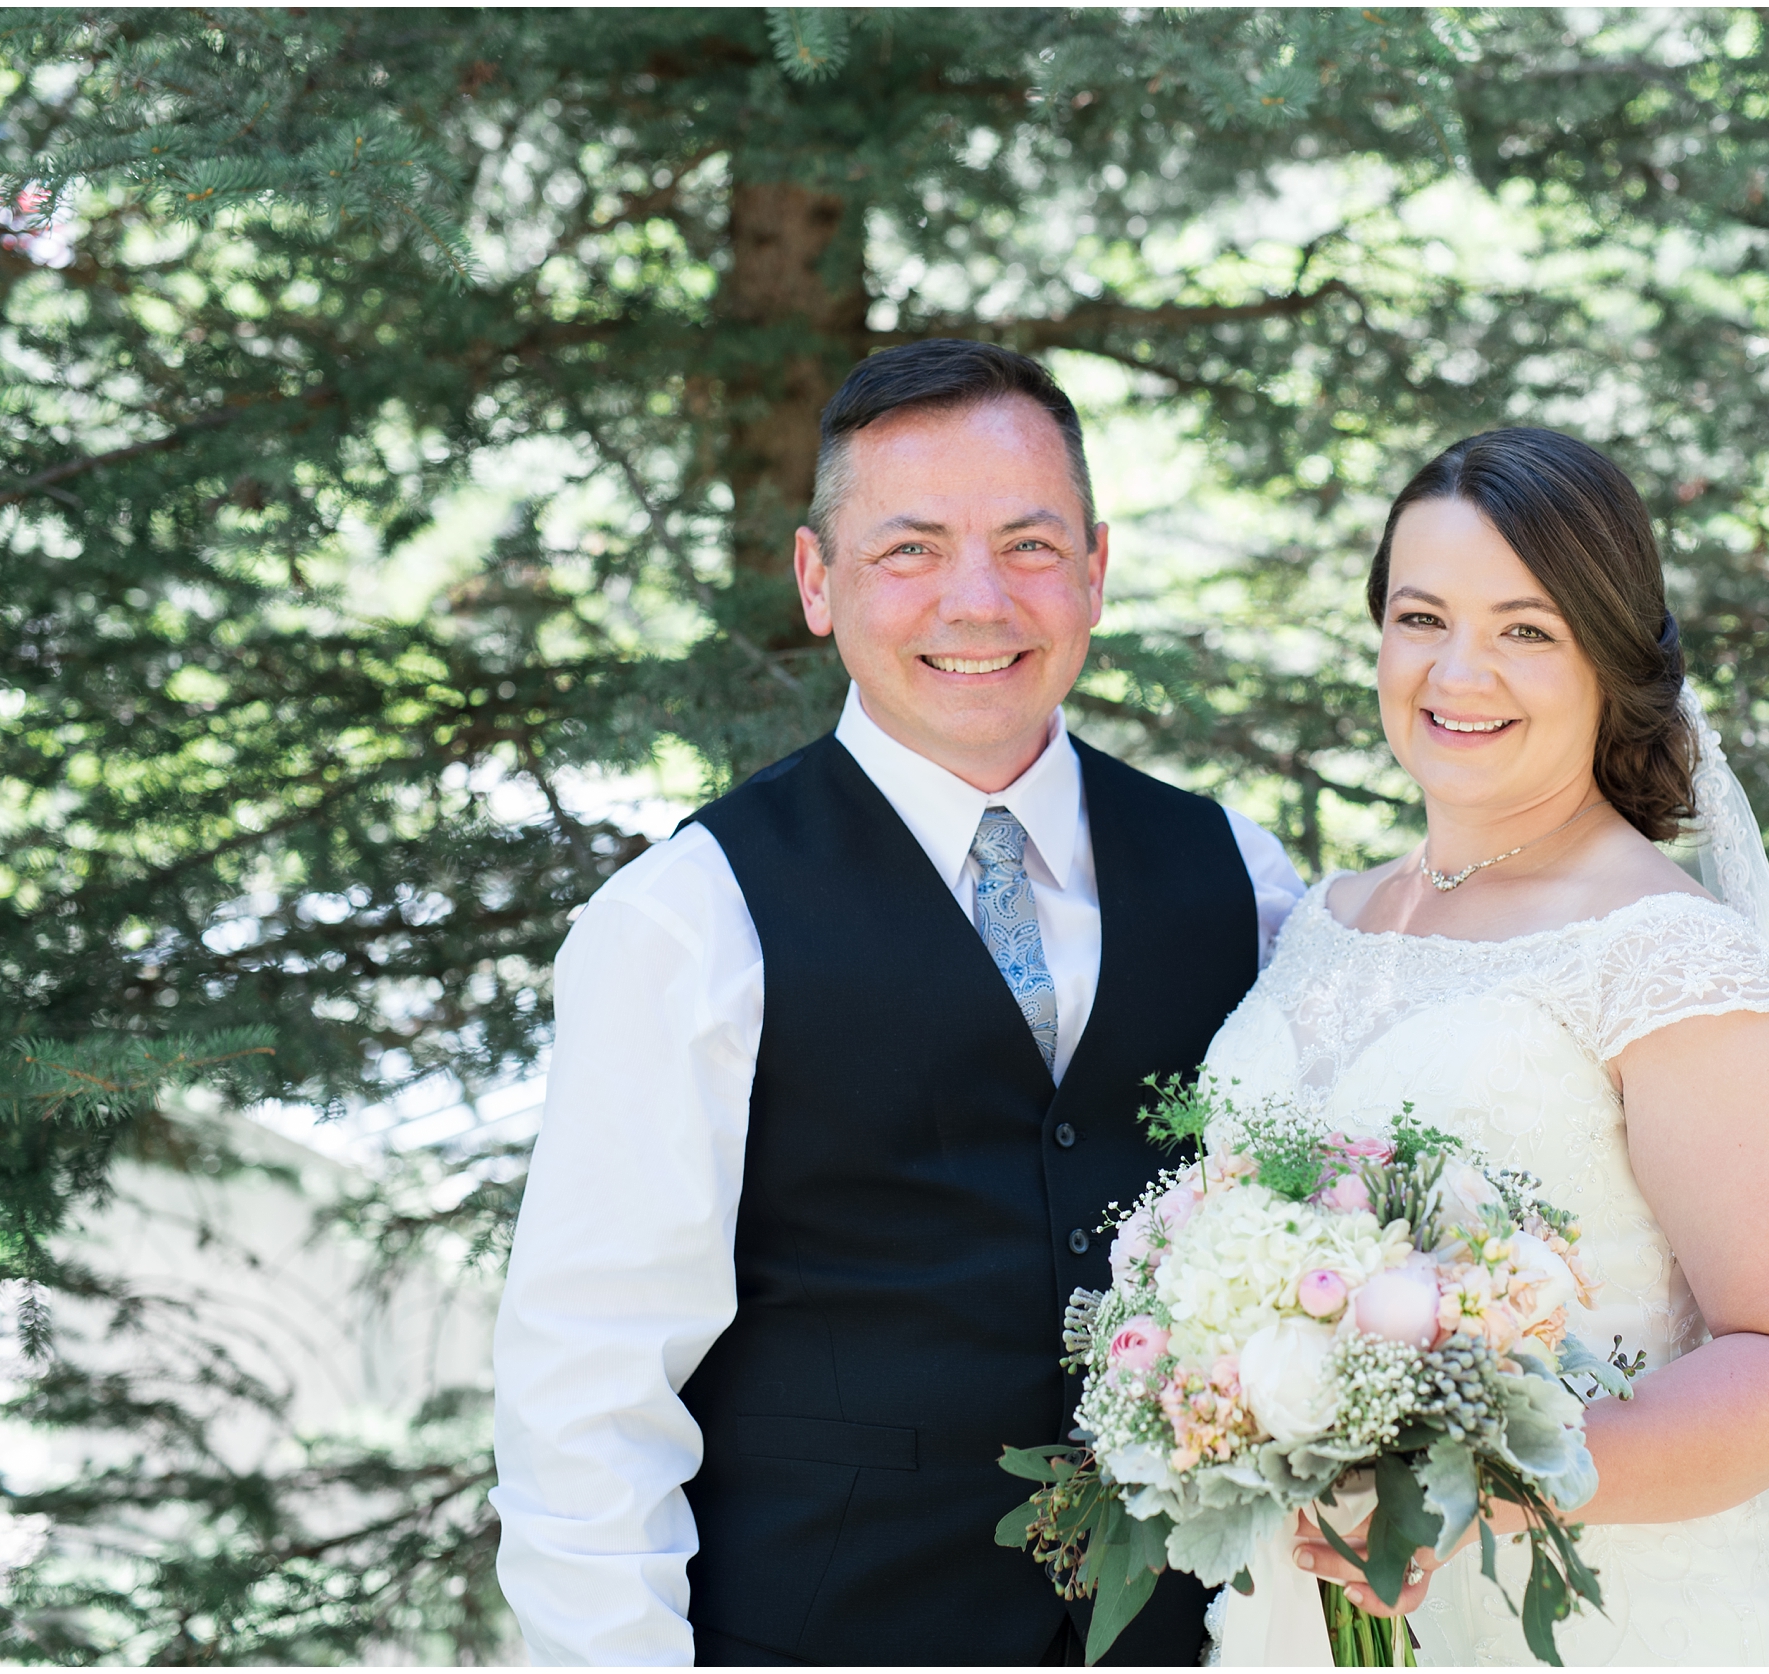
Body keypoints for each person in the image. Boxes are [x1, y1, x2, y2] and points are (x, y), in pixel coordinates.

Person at [489, 339, 1304, 1665]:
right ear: (820, 581)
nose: (976, 601)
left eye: (1029, 545)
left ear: (1097, 570)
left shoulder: (1242, 881)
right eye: (911, 548)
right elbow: (588, 1399)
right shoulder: (687, 922)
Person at [1203, 429, 1769, 1665]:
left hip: (1592, 1615)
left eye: (1525, 629)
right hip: (1293, 1610)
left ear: (1609, 658)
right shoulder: (1323, 923)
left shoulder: (1668, 956)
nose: (1458, 672)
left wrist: (1466, 1492)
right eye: (1419, 617)